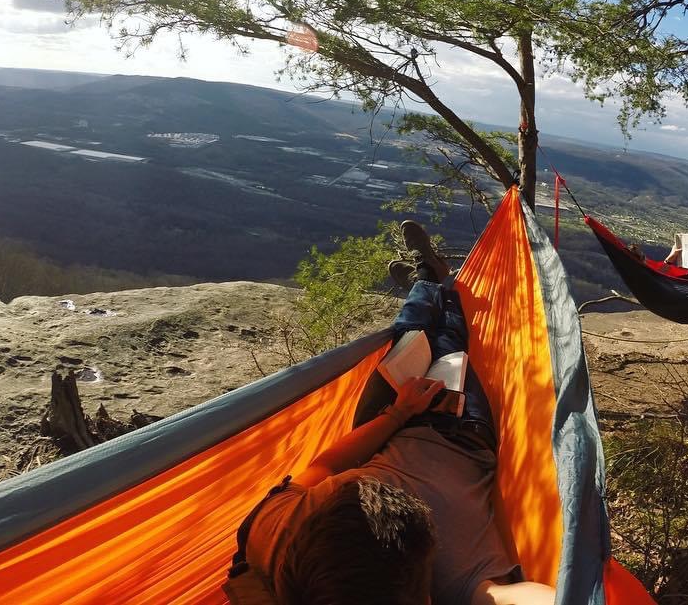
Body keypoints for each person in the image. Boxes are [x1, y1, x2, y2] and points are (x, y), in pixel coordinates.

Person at [224, 221, 556, 605]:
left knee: (409, 338)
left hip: (386, 428)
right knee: (449, 340)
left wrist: (399, 414)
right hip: (454, 429)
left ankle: (426, 277)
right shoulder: (458, 580)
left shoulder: (278, 527)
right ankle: (435, 280)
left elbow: (326, 465)